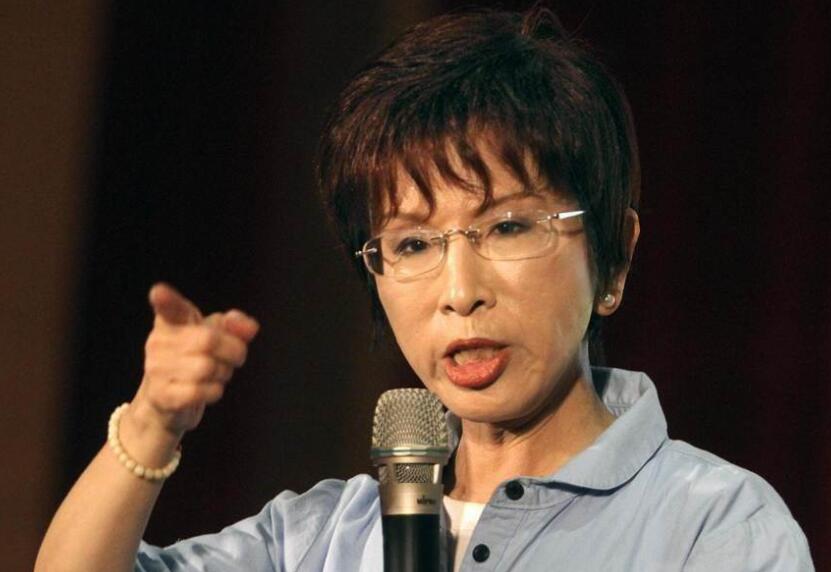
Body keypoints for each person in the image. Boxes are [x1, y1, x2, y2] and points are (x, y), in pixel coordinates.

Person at [36, 6, 813, 571]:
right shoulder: (321, 539)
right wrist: (153, 423)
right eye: (411, 244)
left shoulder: (710, 525)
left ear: (612, 260)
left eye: (506, 227)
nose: (458, 290)